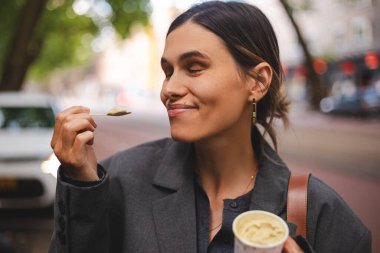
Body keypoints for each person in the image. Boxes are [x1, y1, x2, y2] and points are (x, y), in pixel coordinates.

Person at [48, 1, 371, 253]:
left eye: (194, 67)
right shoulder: (115, 180)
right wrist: (82, 186)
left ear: (257, 82)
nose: (169, 89)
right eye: (168, 71)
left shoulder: (322, 213)